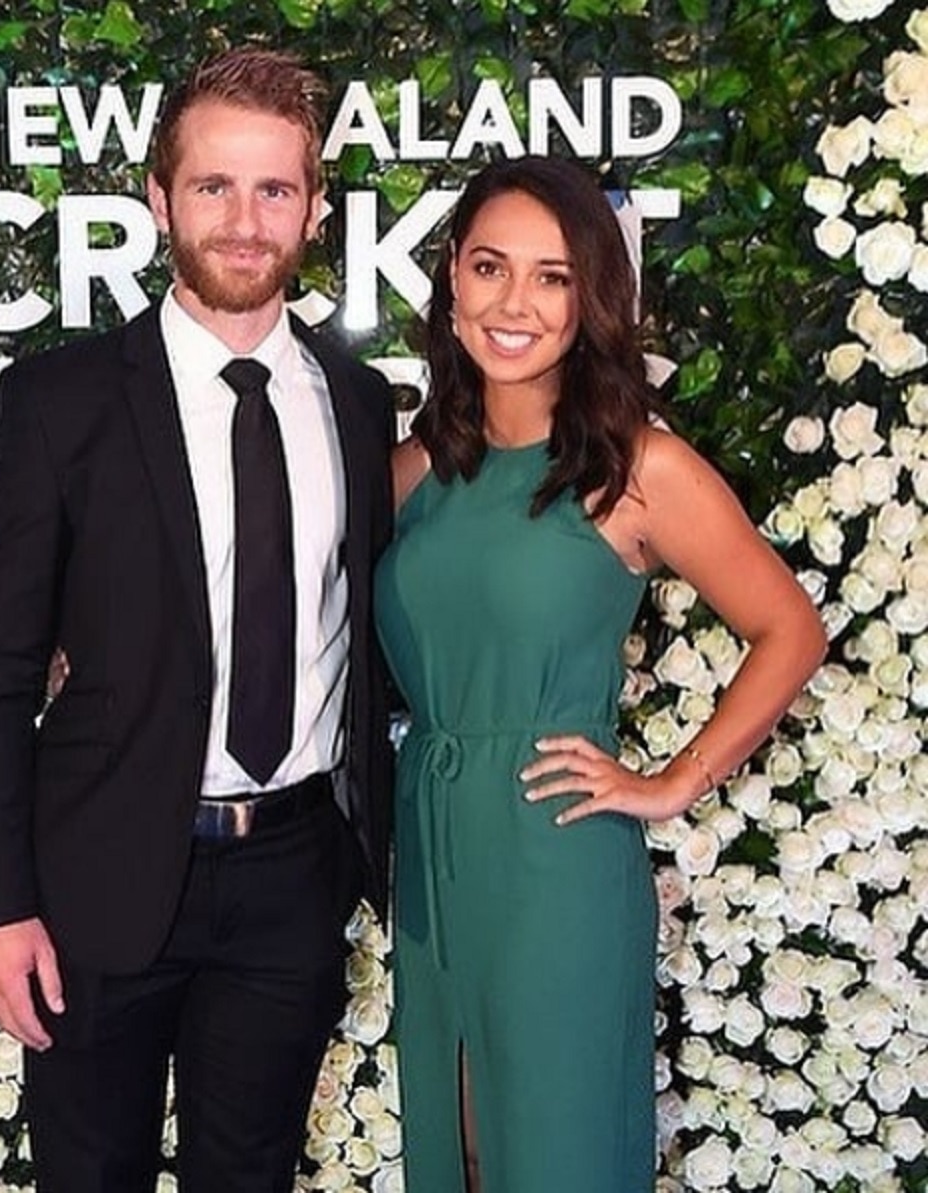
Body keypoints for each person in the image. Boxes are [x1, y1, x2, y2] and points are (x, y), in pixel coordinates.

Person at [0, 48, 394, 1193]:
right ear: (159, 199)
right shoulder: (60, 400)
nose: (246, 222)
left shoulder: (355, 398)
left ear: (315, 206)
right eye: (214, 187)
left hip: (291, 874)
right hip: (98, 873)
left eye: (276, 190)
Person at [374, 156, 827, 1193]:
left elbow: (789, 628)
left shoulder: (638, 467)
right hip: (433, 845)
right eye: (491, 267)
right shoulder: (412, 470)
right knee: (464, 1150)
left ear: (592, 297)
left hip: (557, 851)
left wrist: (673, 779)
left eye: (553, 276)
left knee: (557, 1148)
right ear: (451, 277)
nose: (514, 303)